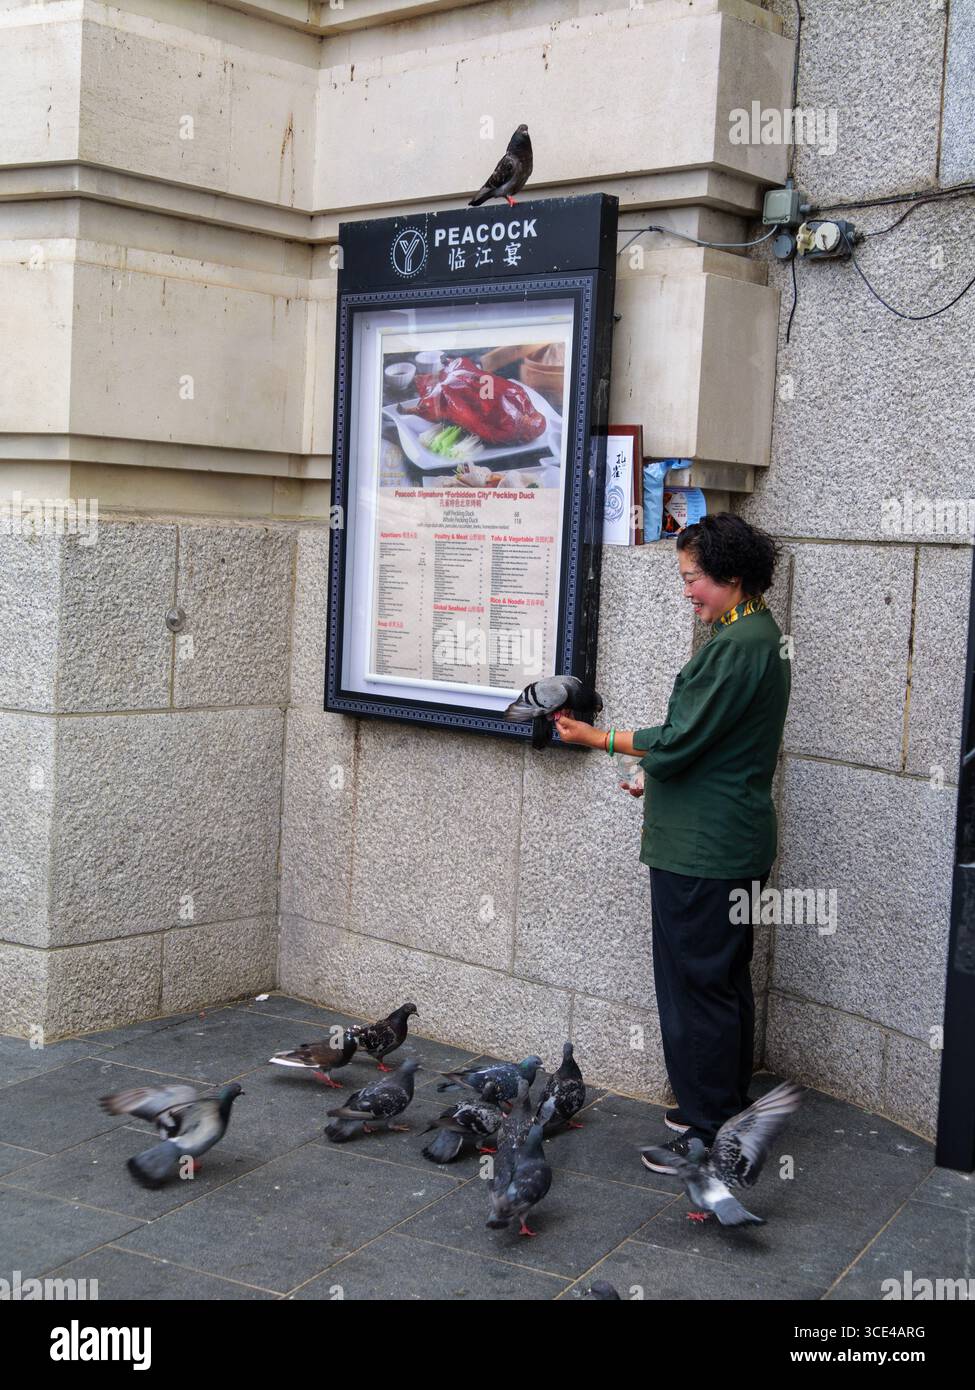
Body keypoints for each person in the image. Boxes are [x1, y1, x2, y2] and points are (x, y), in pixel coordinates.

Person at [554, 512, 791, 1171]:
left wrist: (596, 739)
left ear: (731, 577)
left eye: (693, 580)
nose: (687, 591)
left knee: (695, 989)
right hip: (727, 840)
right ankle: (720, 1108)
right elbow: (706, 743)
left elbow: (682, 738)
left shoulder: (734, 646)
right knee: (721, 982)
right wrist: (650, 771)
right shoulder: (753, 634)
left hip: (702, 850)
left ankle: (710, 1134)